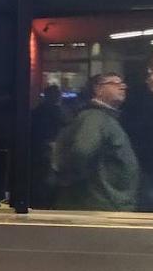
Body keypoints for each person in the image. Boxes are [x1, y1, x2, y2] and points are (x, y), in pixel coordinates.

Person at [51, 73, 140, 212]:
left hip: (104, 201)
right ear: (98, 90)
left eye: (122, 83)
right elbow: (81, 152)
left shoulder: (104, 117)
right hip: (101, 203)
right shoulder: (95, 118)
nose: (122, 86)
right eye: (114, 83)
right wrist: (83, 187)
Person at [122, 55, 153, 211]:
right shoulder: (137, 92)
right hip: (146, 161)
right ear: (150, 68)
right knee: (149, 203)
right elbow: (135, 125)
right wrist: (152, 92)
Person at [30, 84, 70, 209]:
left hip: (39, 154)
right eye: (55, 95)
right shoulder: (60, 113)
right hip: (47, 154)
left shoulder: (36, 112)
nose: (57, 97)